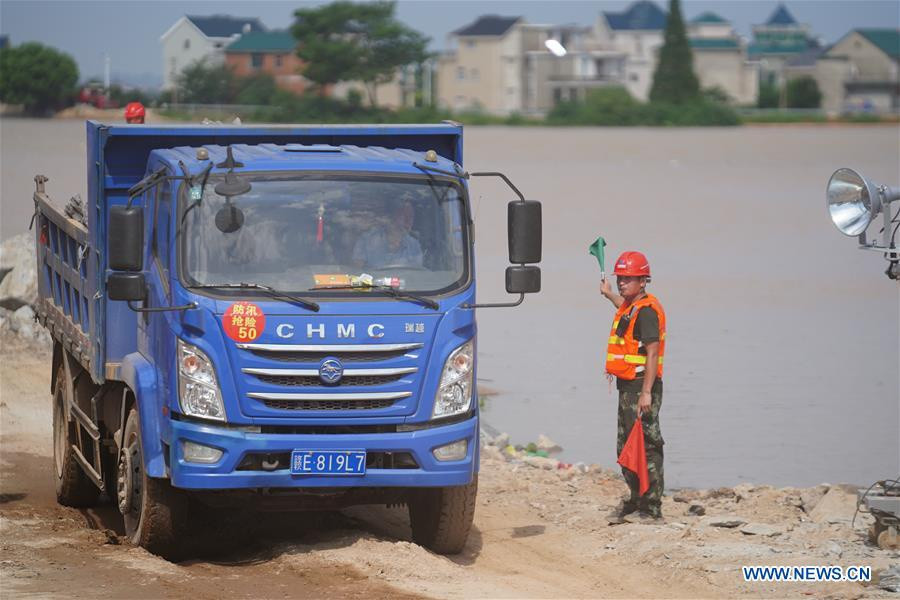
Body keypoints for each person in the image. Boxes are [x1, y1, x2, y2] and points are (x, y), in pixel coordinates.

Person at [600, 251, 667, 522]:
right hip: (627, 388)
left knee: (647, 446)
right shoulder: (631, 306)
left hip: (642, 388)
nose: (622, 283)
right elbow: (624, 311)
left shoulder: (648, 312)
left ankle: (651, 508)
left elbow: (652, 353)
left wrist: (647, 393)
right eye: (620, 279)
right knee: (626, 447)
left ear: (643, 280)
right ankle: (637, 499)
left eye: (628, 279)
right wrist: (608, 295)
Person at [352, 200, 423, 269]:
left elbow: (417, 275)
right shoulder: (366, 240)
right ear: (393, 216)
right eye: (404, 216)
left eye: (411, 216)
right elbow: (357, 272)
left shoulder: (414, 245)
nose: (408, 221)